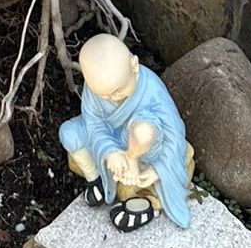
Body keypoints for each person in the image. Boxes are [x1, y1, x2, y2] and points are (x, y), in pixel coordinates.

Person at [59, 33, 193, 230]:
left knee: (143, 132)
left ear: (134, 65)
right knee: (69, 133)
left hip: (147, 149)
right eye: (105, 95)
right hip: (111, 139)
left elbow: (173, 133)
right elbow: (93, 124)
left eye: (119, 91)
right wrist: (110, 152)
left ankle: (147, 203)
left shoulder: (153, 90)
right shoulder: (93, 90)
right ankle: (95, 179)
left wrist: (158, 169)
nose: (114, 98)